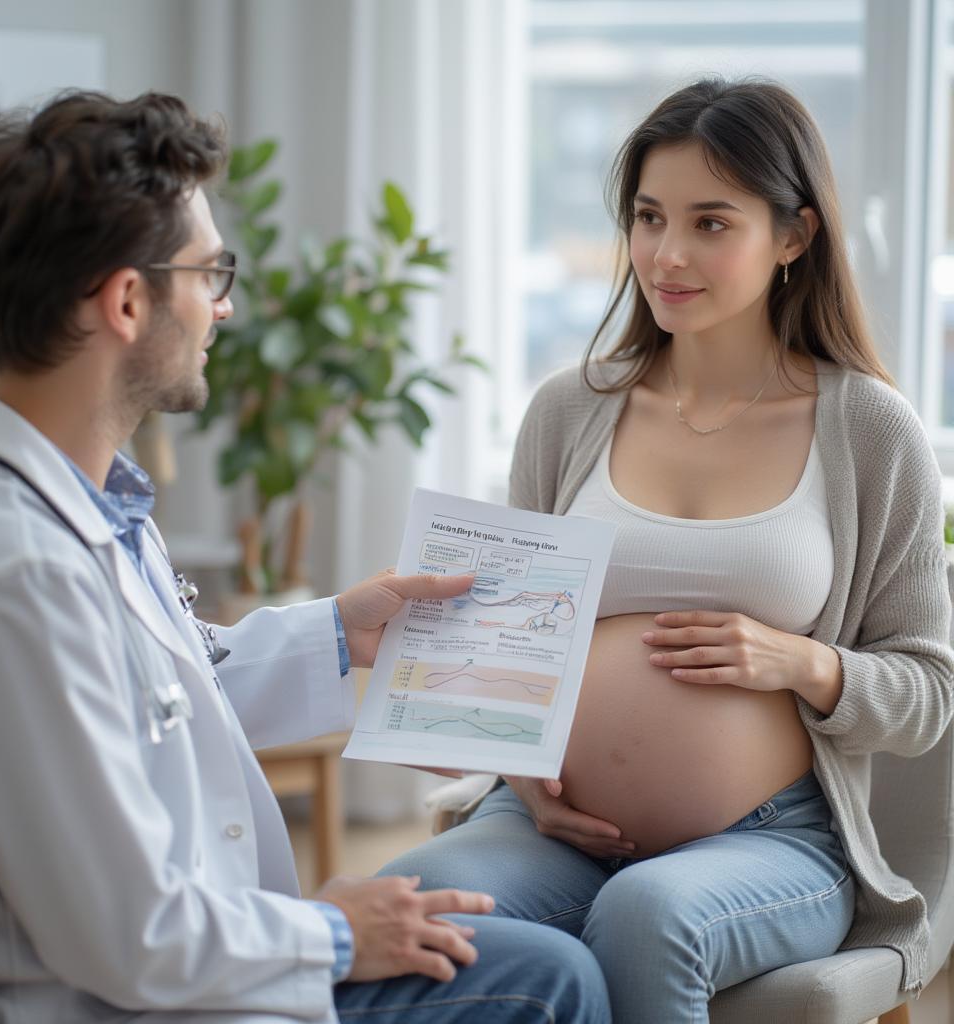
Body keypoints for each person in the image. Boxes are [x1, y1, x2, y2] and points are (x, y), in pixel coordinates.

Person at [0, 91, 611, 1024]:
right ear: (129, 301)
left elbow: (162, 700)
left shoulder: (53, 497)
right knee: (546, 982)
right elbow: (130, 939)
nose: (227, 305)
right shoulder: (20, 577)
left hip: (204, 968)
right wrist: (337, 930)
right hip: (160, 1000)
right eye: (210, 274)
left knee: (521, 956)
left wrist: (339, 630)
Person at [381, 77, 954, 1021]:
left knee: (650, 915)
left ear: (795, 236)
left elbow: (928, 697)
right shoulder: (571, 408)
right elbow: (501, 643)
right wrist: (520, 766)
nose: (667, 254)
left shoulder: (871, 431)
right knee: (402, 909)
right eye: (648, 218)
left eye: (711, 223)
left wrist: (800, 661)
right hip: (549, 826)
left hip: (773, 839)